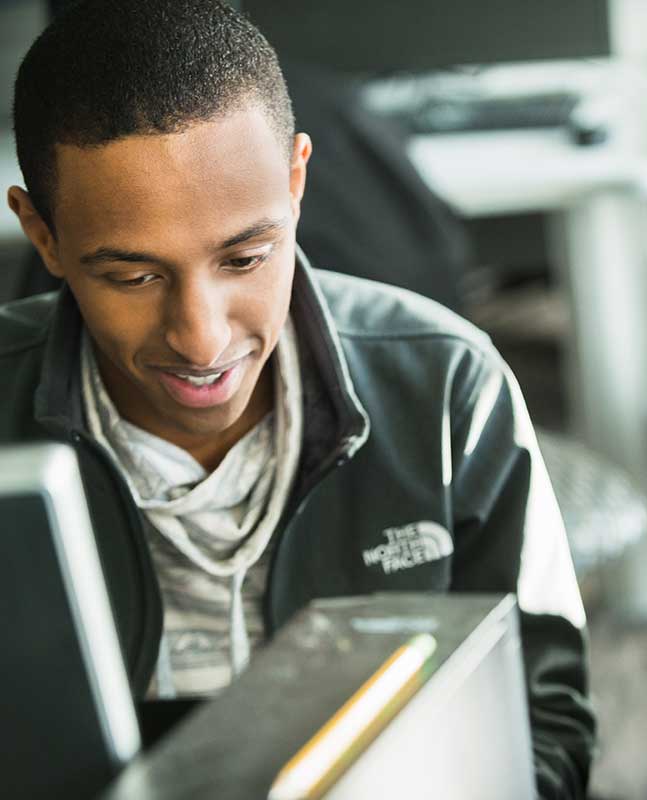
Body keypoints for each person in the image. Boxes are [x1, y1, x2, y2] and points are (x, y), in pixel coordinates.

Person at [3, 0, 593, 795]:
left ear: (295, 181)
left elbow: (543, 727)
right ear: (42, 235)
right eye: (133, 277)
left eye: (245, 258)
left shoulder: (449, 387)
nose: (202, 340)